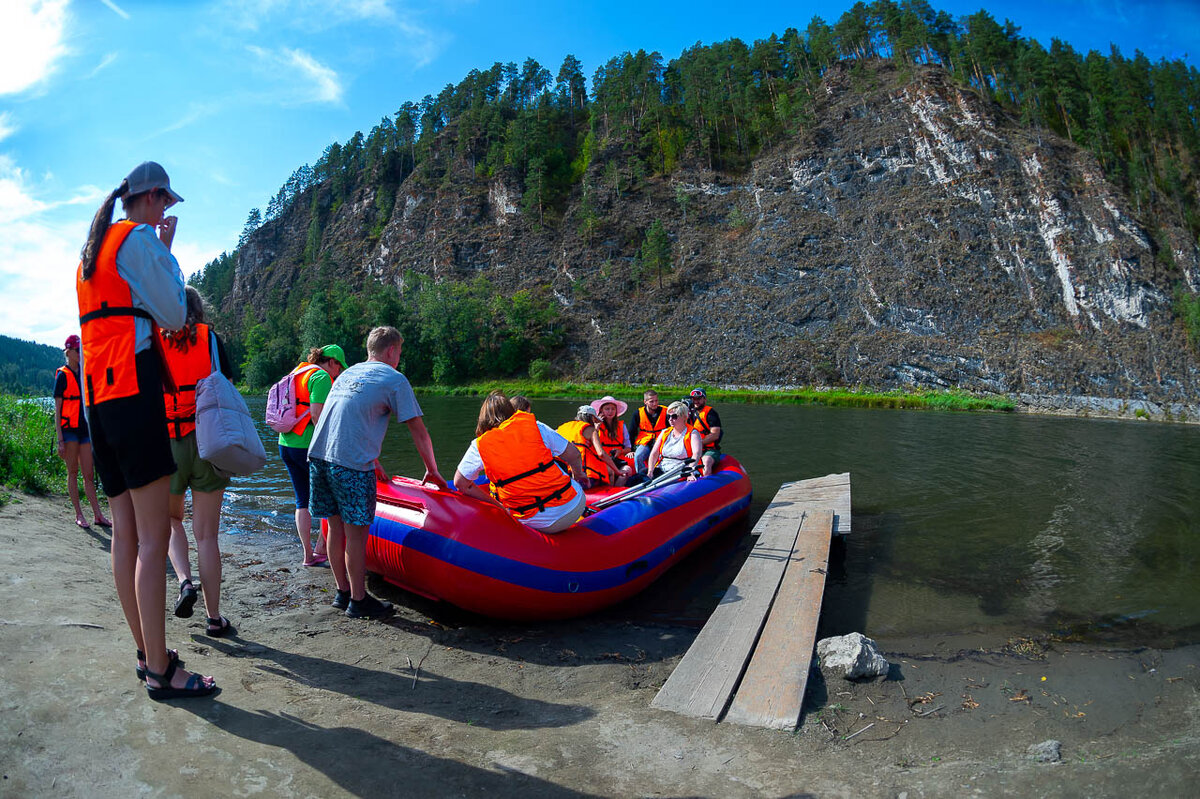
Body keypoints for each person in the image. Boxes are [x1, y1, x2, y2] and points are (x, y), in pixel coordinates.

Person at [76, 160, 215, 699]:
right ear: (151, 197)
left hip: (99, 404)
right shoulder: (138, 240)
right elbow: (176, 313)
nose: (166, 210)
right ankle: (161, 669)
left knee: (126, 534)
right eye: (165, 201)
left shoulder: (92, 250)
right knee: (154, 537)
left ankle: (147, 652)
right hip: (133, 397)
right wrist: (168, 251)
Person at [307, 326, 448, 619]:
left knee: (334, 528)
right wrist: (432, 470)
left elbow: (346, 418)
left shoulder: (347, 373)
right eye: (400, 352)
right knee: (356, 536)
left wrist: (375, 460)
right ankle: (359, 601)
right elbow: (419, 432)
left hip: (318, 457)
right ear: (392, 350)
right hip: (349, 467)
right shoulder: (393, 379)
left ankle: (342, 591)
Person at [160, 287, 236, 636]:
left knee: (173, 519)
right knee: (207, 536)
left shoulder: (155, 341)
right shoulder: (210, 339)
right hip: (209, 441)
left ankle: (184, 582)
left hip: (169, 444)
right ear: (198, 308)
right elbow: (227, 386)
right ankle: (214, 618)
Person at [453, 391, 587, 533]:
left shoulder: (478, 445)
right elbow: (574, 455)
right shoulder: (536, 426)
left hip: (537, 522)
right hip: (575, 505)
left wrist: (498, 506)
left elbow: (460, 483)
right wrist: (579, 475)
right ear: (512, 411)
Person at [276, 344, 347, 567]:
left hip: (285, 442)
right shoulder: (321, 377)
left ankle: (308, 555)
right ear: (332, 362)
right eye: (339, 367)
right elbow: (317, 416)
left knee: (302, 500)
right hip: (307, 446)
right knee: (331, 498)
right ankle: (321, 549)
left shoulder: (297, 372)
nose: (339, 372)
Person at [54, 334, 111, 530]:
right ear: (68, 352)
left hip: (85, 430)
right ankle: (79, 514)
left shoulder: (85, 375)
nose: (81, 354)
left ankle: (98, 515)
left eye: (82, 350)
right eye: (78, 351)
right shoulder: (62, 376)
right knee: (73, 472)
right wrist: (60, 439)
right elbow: (57, 410)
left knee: (89, 473)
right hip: (69, 431)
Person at [556, 406, 626, 488]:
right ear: (592, 418)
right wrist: (617, 471)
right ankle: (608, 492)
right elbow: (601, 454)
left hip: (562, 473)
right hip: (584, 475)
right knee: (611, 472)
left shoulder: (561, 428)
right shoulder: (590, 430)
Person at [646, 400, 705, 479]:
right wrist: (650, 471)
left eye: (674, 416)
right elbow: (654, 453)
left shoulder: (693, 433)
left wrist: (689, 472)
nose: (670, 419)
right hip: (663, 468)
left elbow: (696, 454)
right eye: (668, 416)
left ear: (684, 417)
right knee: (639, 478)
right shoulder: (665, 432)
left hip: (683, 469)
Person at [591, 395, 634, 479]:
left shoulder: (622, 426)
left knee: (627, 470)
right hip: (602, 460)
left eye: (613, 409)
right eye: (607, 409)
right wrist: (597, 427)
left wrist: (620, 451)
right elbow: (591, 445)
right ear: (601, 411)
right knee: (610, 472)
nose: (610, 411)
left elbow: (628, 448)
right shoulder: (595, 426)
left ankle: (619, 489)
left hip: (618, 460)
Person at [629, 389, 669, 475]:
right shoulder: (638, 413)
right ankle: (642, 476)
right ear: (645, 402)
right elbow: (632, 432)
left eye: (656, 401)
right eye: (651, 401)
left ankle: (660, 475)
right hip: (645, 442)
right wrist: (631, 449)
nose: (655, 404)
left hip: (661, 441)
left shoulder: (666, 412)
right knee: (638, 456)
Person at [688, 388, 723, 476]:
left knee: (706, 461)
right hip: (691, 449)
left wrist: (698, 444)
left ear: (705, 399)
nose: (696, 401)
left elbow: (715, 435)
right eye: (694, 399)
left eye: (699, 399)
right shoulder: (688, 412)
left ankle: (706, 484)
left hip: (709, 450)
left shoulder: (710, 413)